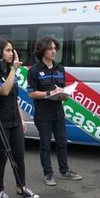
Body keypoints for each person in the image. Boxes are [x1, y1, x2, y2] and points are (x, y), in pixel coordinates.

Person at [0, 39, 40, 198]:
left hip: (14, 119)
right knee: (1, 156)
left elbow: (14, 97)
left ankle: (21, 187)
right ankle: (0, 190)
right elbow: (4, 91)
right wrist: (14, 70)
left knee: (19, 155)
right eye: (8, 50)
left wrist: (21, 118)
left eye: (12, 50)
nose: (12, 53)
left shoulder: (10, 70)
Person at [27, 37, 82, 186]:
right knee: (45, 145)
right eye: (50, 48)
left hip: (58, 112)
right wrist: (48, 94)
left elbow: (62, 91)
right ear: (42, 51)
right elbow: (31, 93)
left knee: (62, 143)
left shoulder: (60, 69)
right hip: (43, 114)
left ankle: (64, 171)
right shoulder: (34, 71)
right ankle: (48, 174)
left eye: (55, 48)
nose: (54, 51)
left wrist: (63, 95)